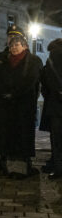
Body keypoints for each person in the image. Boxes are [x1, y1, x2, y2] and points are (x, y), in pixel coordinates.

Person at [0, 32, 42, 178]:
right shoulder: (4, 60)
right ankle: (8, 164)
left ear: (24, 46)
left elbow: (30, 81)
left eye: (17, 45)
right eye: (11, 45)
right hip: (7, 105)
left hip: (24, 104)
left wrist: (14, 93)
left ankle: (23, 165)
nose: (14, 48)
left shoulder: (33, 60)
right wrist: (4, 92)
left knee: (23, 136)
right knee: (9, 136)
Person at [40, 39, 62, 179]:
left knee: (57, 141)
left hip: (55, 105)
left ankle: (58, 169)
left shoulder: (52, 58)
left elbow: (46, 83)